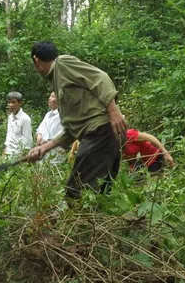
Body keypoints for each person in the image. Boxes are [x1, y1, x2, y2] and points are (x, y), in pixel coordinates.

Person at [27, 41, 127, 199]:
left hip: (100, 132)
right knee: (99, 192)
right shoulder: (57, 79)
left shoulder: (62, 63)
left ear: (36, 59)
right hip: (100, 134)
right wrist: (45, 147)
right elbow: (73, 128)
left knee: (76, 191)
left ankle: (80, 222)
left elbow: (100, 77)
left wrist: (114, 111)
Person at [36, 92, 66, 164]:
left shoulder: (63, 115)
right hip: (43, 150)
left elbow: (64, 133)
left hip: (55, 152)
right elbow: (40, 129)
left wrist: (49, 142)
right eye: (50, 96)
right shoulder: (48, 114)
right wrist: (39, 137)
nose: (49, 98)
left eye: (53, 96)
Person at [3, 92, 33, 157]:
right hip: (8, 154)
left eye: (13, 102)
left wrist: (20, 159)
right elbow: (9, 138)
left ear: (20, 103)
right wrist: (4, 153)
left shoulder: (25, 119)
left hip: (18, 155)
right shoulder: (10, 117)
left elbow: (27, 142)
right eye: (9, 102)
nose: (10, 105)